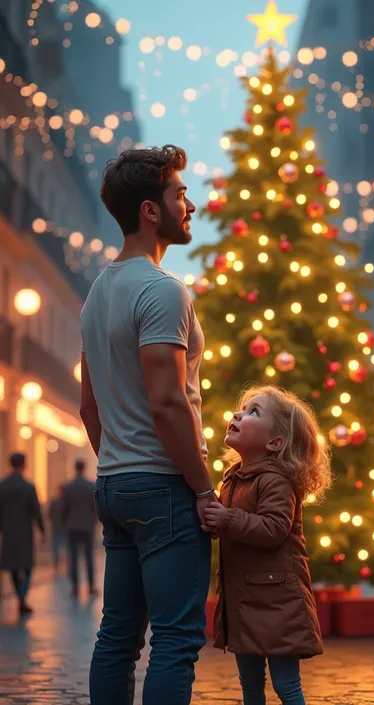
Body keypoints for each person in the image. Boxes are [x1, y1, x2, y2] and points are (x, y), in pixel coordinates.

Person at [80, 146, 215, 705]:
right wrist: (203, 487)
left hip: (115, 482)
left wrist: (116, 462)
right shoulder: (161, 290)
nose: (191, 206)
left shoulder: (97, 292)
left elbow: (89, 408)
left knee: (117, 637)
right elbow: (167, 403)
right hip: (163, 485)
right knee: (176, 640)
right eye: (180, 195)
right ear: (150, 210)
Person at [205, 385, 332, 705]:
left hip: (277, 603)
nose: (238, 414)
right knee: (249, 685)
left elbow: (274, 528)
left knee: (286, 684)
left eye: (253, 412)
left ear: (275, 442)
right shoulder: (234, 477)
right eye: (242, 409)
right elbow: (235, 524)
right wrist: (217, 523)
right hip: (246, 600)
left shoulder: (276, 479)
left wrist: (227, 519)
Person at [0, 453, 45, 615]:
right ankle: (22, 598)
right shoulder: (28, 486)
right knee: (27, 567)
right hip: (25, 532)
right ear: (24, 465)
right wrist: (42, 530)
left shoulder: (2, 486)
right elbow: (36, 511)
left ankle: (20, 597)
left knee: (12, 566)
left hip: (8, 532)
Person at [62, 460, 97, 597]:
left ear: (74, 468)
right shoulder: (91, 486)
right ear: (85, 468)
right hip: (87, 526)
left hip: (72, 525)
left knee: (74, 557)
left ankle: (75, 587)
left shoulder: (68, 486)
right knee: (89, 556)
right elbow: (95, 507)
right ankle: (90, 586)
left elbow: (65, 508)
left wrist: (66, 522)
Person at [49, 485, 65, 574]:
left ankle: (57, 566)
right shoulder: (66, 502)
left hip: (56, 527)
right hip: (63, 528)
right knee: (65, 548)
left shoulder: (54, 502)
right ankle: (62, 566)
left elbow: (50, 514)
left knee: (56, 548)